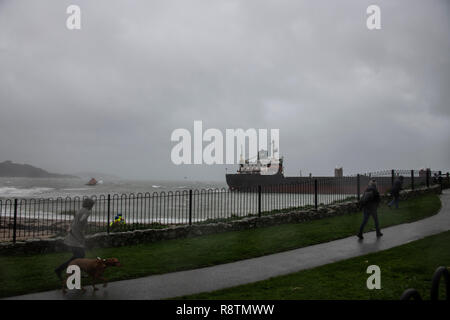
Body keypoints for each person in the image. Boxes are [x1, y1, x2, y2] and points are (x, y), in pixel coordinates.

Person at [55, 198, 95, 280]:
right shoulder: (87, 211)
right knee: (78, 257)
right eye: (92, 205)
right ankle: (59, 269)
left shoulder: (80, 210)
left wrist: (71, 228)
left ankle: (76, 273)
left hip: (73, 236)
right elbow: (81, 220)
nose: (92, 206)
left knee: (79, 257)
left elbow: (75, 221)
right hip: (76, 238)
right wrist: (84, 224)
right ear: (90, 205)